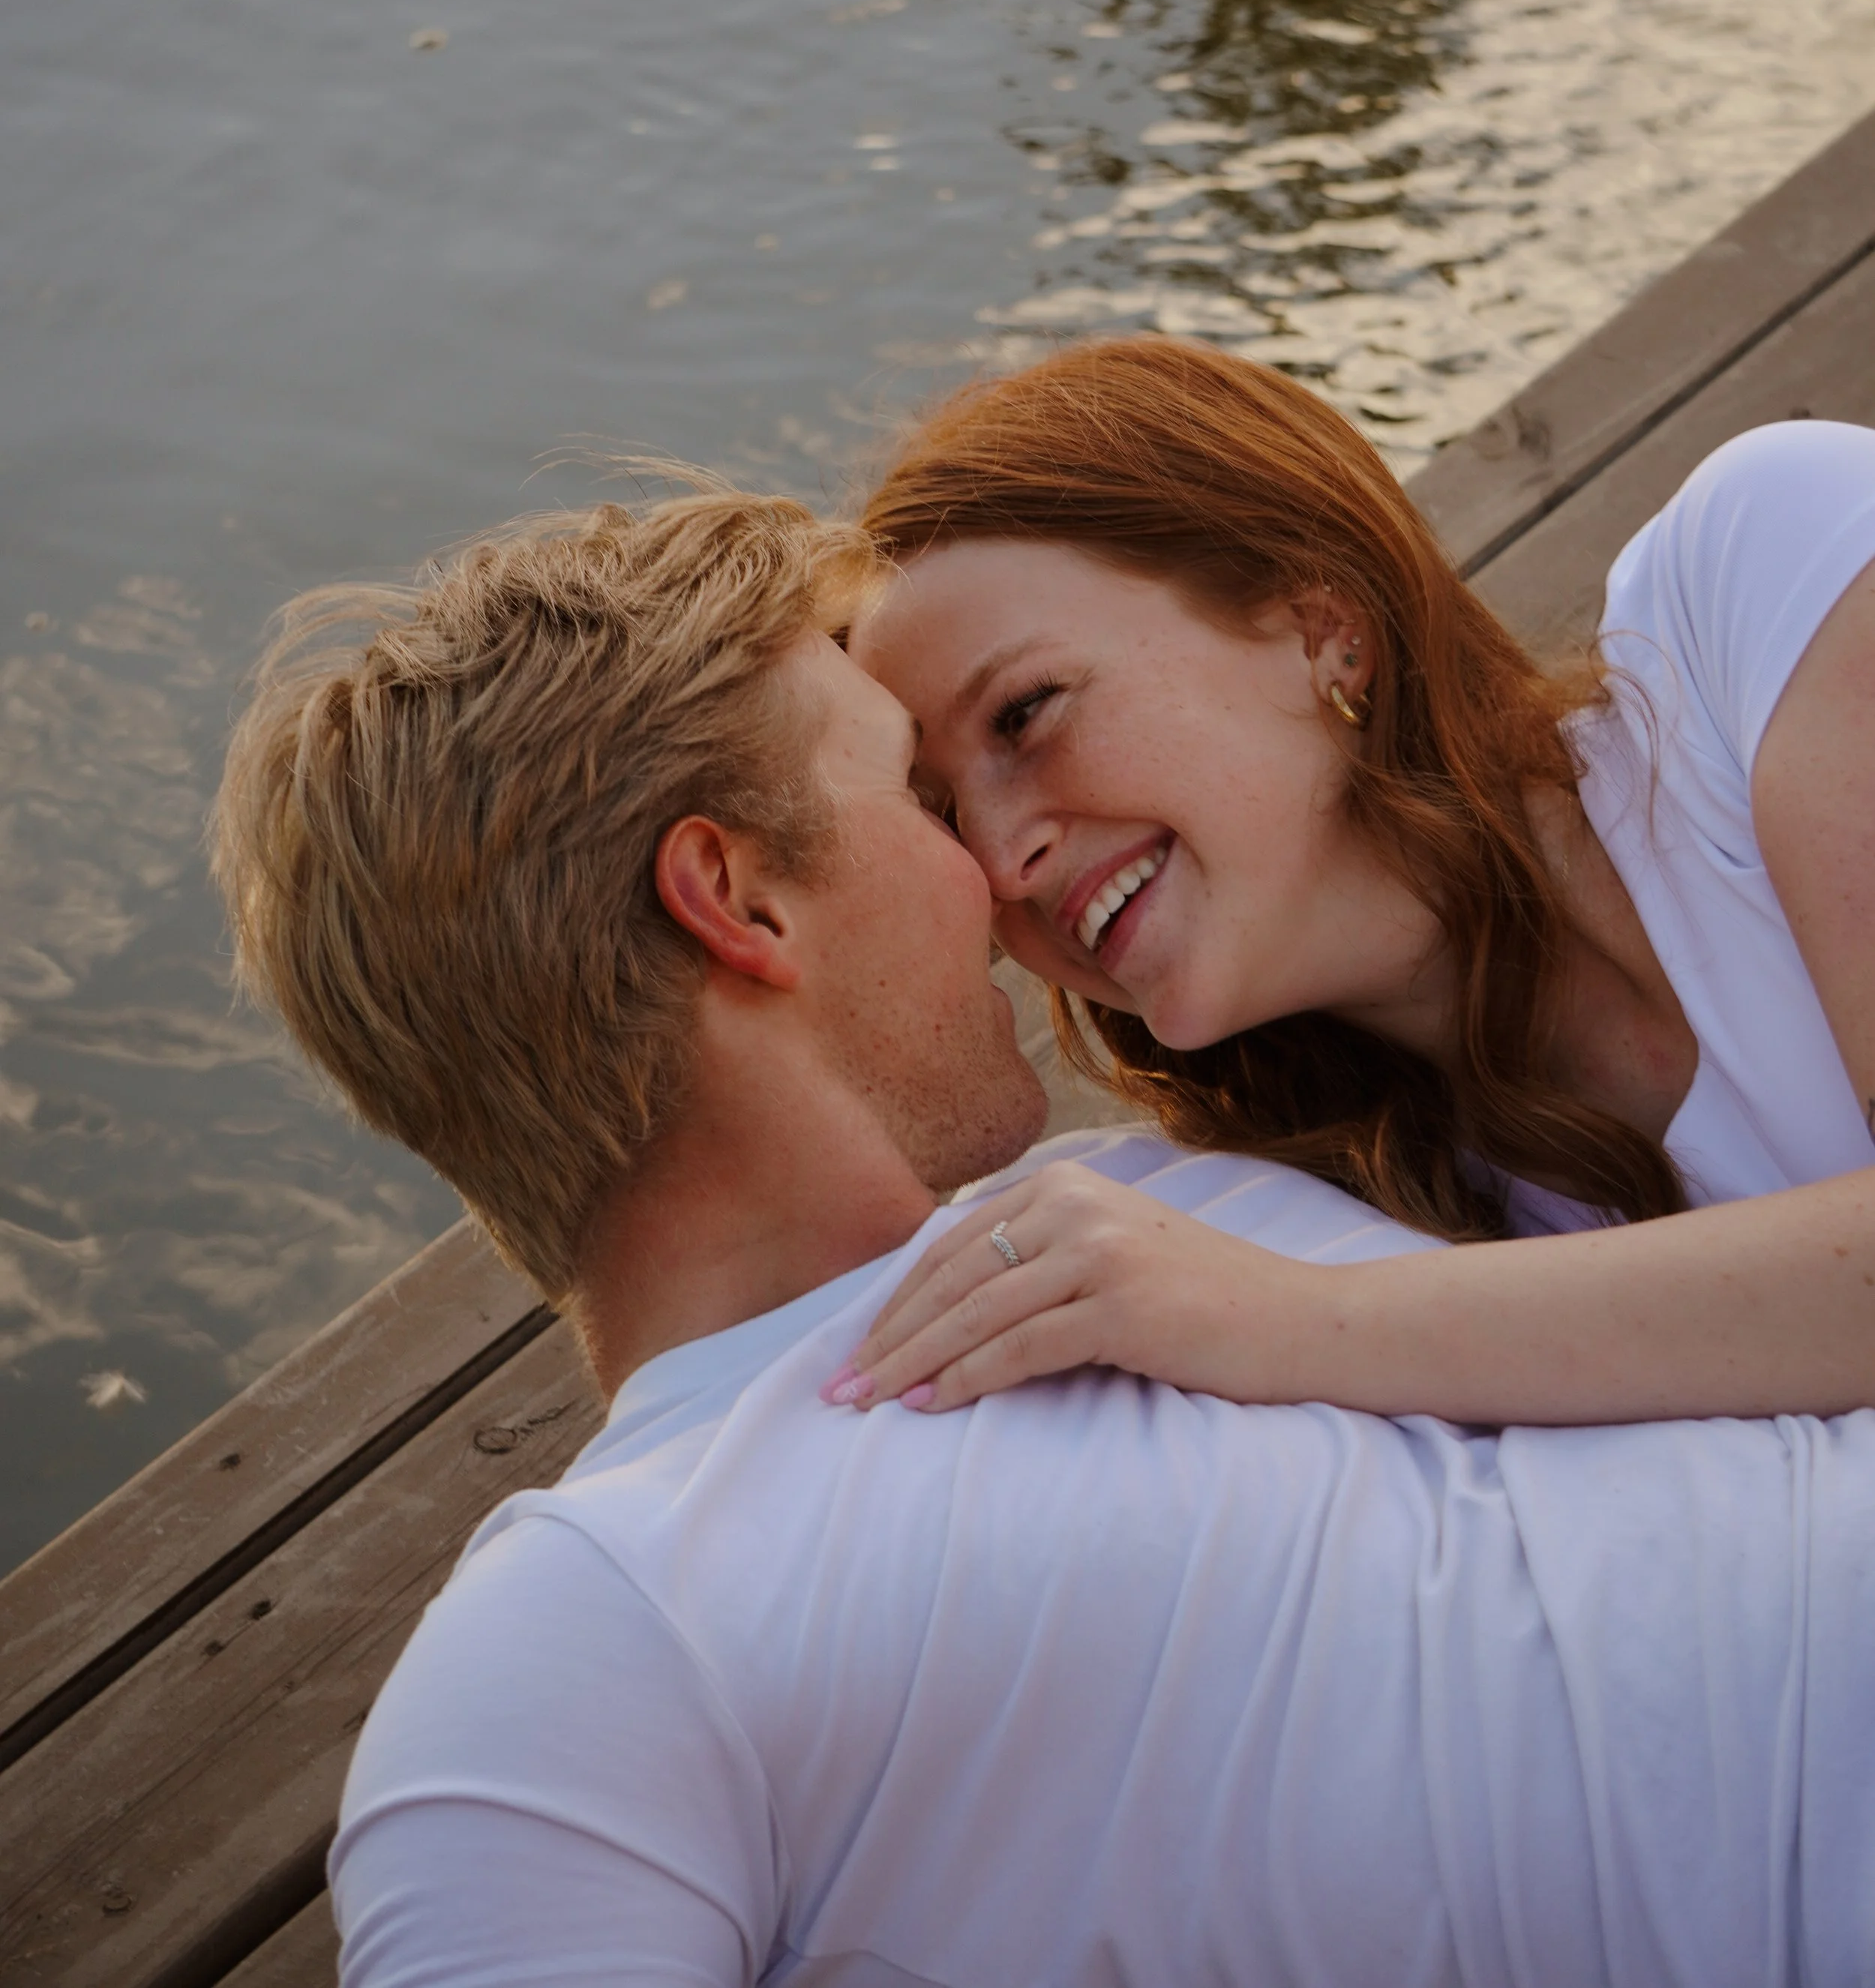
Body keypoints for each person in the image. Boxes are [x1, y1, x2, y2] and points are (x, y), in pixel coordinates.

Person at [212, 487, 1875, 1988]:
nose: (995, 880)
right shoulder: (602, 1619)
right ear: (739, 902)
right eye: (914, 801)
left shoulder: (1194, 1195)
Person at [836, 337, 1875, 1429]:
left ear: (1320, 625)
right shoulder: (1336, 1212)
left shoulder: (1769, 585)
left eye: (1024, 711)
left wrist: (1288, 1321)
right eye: (944, 815)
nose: (1001, 863)